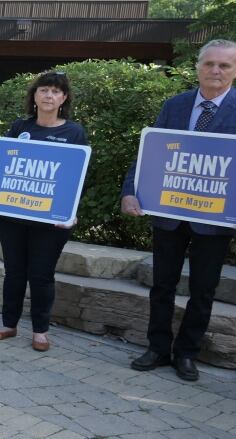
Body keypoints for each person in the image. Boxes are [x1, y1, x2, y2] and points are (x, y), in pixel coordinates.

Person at [121, 39, 236, 382]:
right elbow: (150, 151)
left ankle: (187, 353)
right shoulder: (175, 105)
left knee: (203, 289)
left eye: (224, 66)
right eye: (209, 64)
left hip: (214, 218)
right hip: (169, 213)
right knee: (162, 284)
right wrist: (130, 192)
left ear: (234, 70)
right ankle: (157, 347)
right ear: (198, 67)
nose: (215, 71)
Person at [0, 71, 88, 352]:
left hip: (50, 221)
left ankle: (40, 331)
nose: (49, 96)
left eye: (55, 91)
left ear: (64, 98)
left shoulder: (74, 132)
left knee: (41, 275)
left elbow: (76, 177)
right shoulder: (20, 127)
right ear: (35, 95)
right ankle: (9, 325)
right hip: (13, 216)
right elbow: (1, 164)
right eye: (44, 90)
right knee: (14, 272)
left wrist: (70, 211)